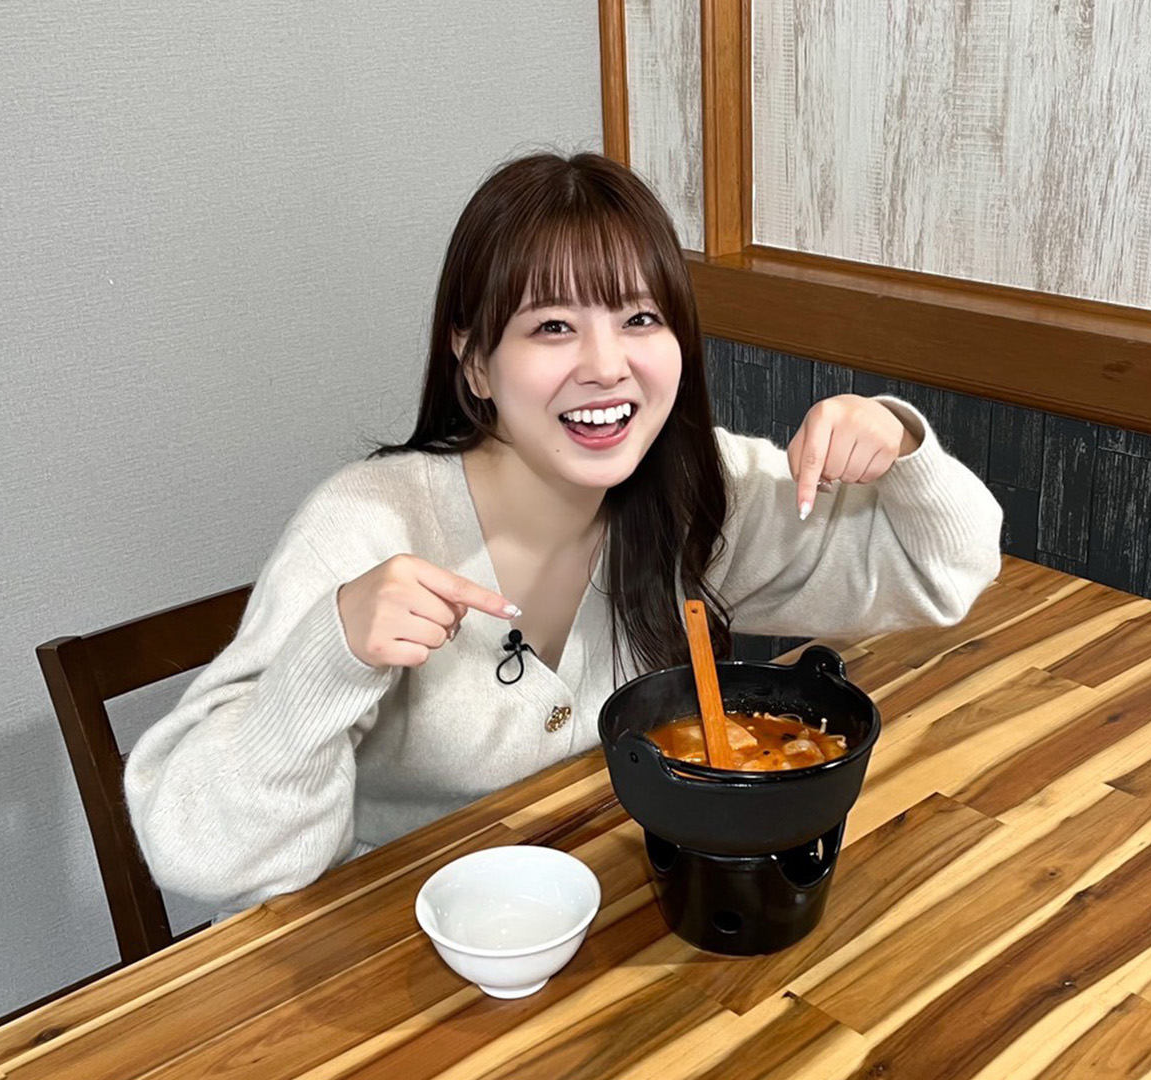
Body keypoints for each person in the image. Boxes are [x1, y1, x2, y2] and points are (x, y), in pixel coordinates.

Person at [124, 151, 1003, 914]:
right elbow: (203, 853)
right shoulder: (369, 524)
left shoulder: (696, 490)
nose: (606, 365)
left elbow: (944, 573)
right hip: (391, 960)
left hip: (600, 919)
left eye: (640, 319)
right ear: (475, 360)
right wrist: (336, 653)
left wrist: (898, 447)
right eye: (552, 327)